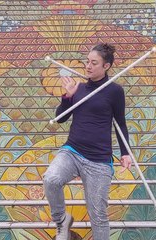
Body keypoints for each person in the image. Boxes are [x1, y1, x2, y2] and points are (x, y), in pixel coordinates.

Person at [43, 43, 132, 240]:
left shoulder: (115, 91)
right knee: (51, 179)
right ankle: (62, 220)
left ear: (106, 66)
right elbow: (60, 119)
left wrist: (125, 152)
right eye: (87, 62)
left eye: (94, 63)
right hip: (72, 151)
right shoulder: (79, 88)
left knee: (98, 216)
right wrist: (68, 96)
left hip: (99, 161)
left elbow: (121, 124)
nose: (88, 66)